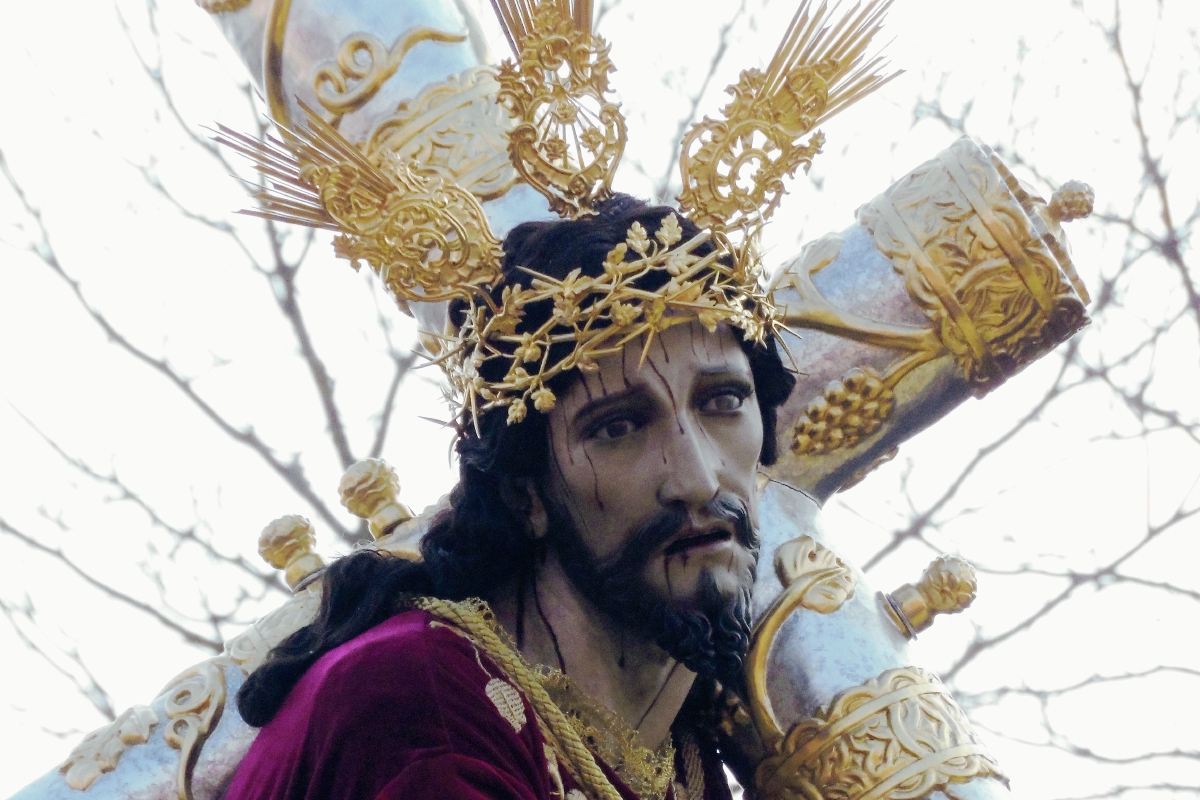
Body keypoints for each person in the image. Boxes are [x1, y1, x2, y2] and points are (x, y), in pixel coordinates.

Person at [224, 195, 795, 800]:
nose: (699, 479)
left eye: (724, 401)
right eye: (618, 428)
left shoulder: (678, 755)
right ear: (526, 494)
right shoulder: (423, 710)